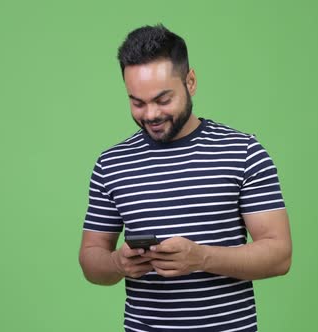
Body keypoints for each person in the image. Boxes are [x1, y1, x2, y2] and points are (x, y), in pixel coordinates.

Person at [79, 24, 292, 332]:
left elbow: (279, 255)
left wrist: (202, 258)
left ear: (190, 82)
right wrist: (116, 264)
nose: (150, 114)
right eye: (137, 102)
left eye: (163, 99)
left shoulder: (243, 151)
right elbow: (90, 258)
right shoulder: (111, 164)